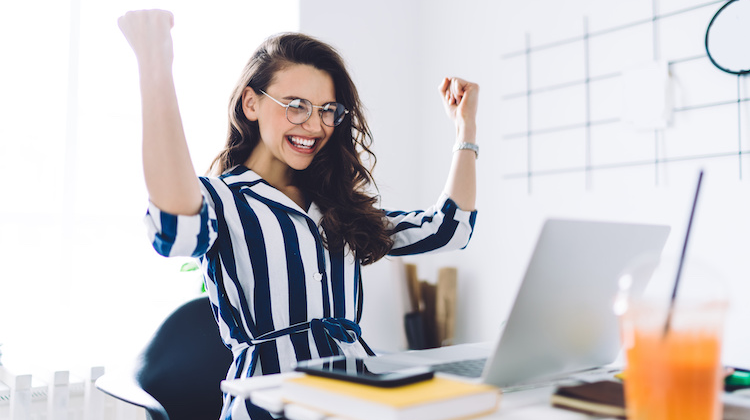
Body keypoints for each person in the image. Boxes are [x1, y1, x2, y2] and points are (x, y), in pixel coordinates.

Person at [118, 9, 479, 420]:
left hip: (358, 398)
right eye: (296, 105)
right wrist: (155, 65)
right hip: (268, 404)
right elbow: (176, 229)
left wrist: (464, 129)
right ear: (250, 102)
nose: (314, 125)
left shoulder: (338, 205)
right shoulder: (221, 200)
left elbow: (450, 228)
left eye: (327, 109)